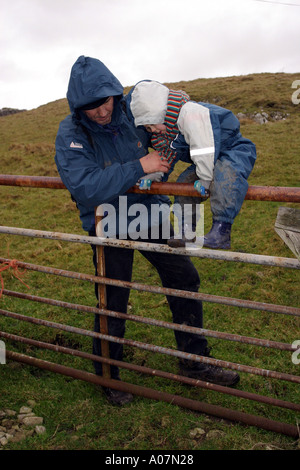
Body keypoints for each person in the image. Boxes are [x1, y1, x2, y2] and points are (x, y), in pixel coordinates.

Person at [55, 56, 239, 406]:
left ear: (114, 93)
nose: (101, 111)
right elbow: (86, 187)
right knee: (113, 299)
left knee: (184, 279)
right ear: (78, 107)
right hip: (108, 221)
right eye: (90, 107)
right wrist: (139, 165)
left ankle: (194, 363)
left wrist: (166, 162)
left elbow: (168, 134)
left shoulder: (133, 112)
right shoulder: (71, 134)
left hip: (150, 214)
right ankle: (109, 374)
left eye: (106, 101)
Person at [125, 80, 257, 249]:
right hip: (208, 161)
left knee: (226, 176)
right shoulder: (168, 131)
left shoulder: (190, 113)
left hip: (232, 151)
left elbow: (203, 146)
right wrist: (153, 176)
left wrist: (205, 178)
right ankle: (186, 230)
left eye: (151, 124)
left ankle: (221, 230)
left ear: (162, 113)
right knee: (184, 182)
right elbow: (166, 155)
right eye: (148, 128)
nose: (152, 131)